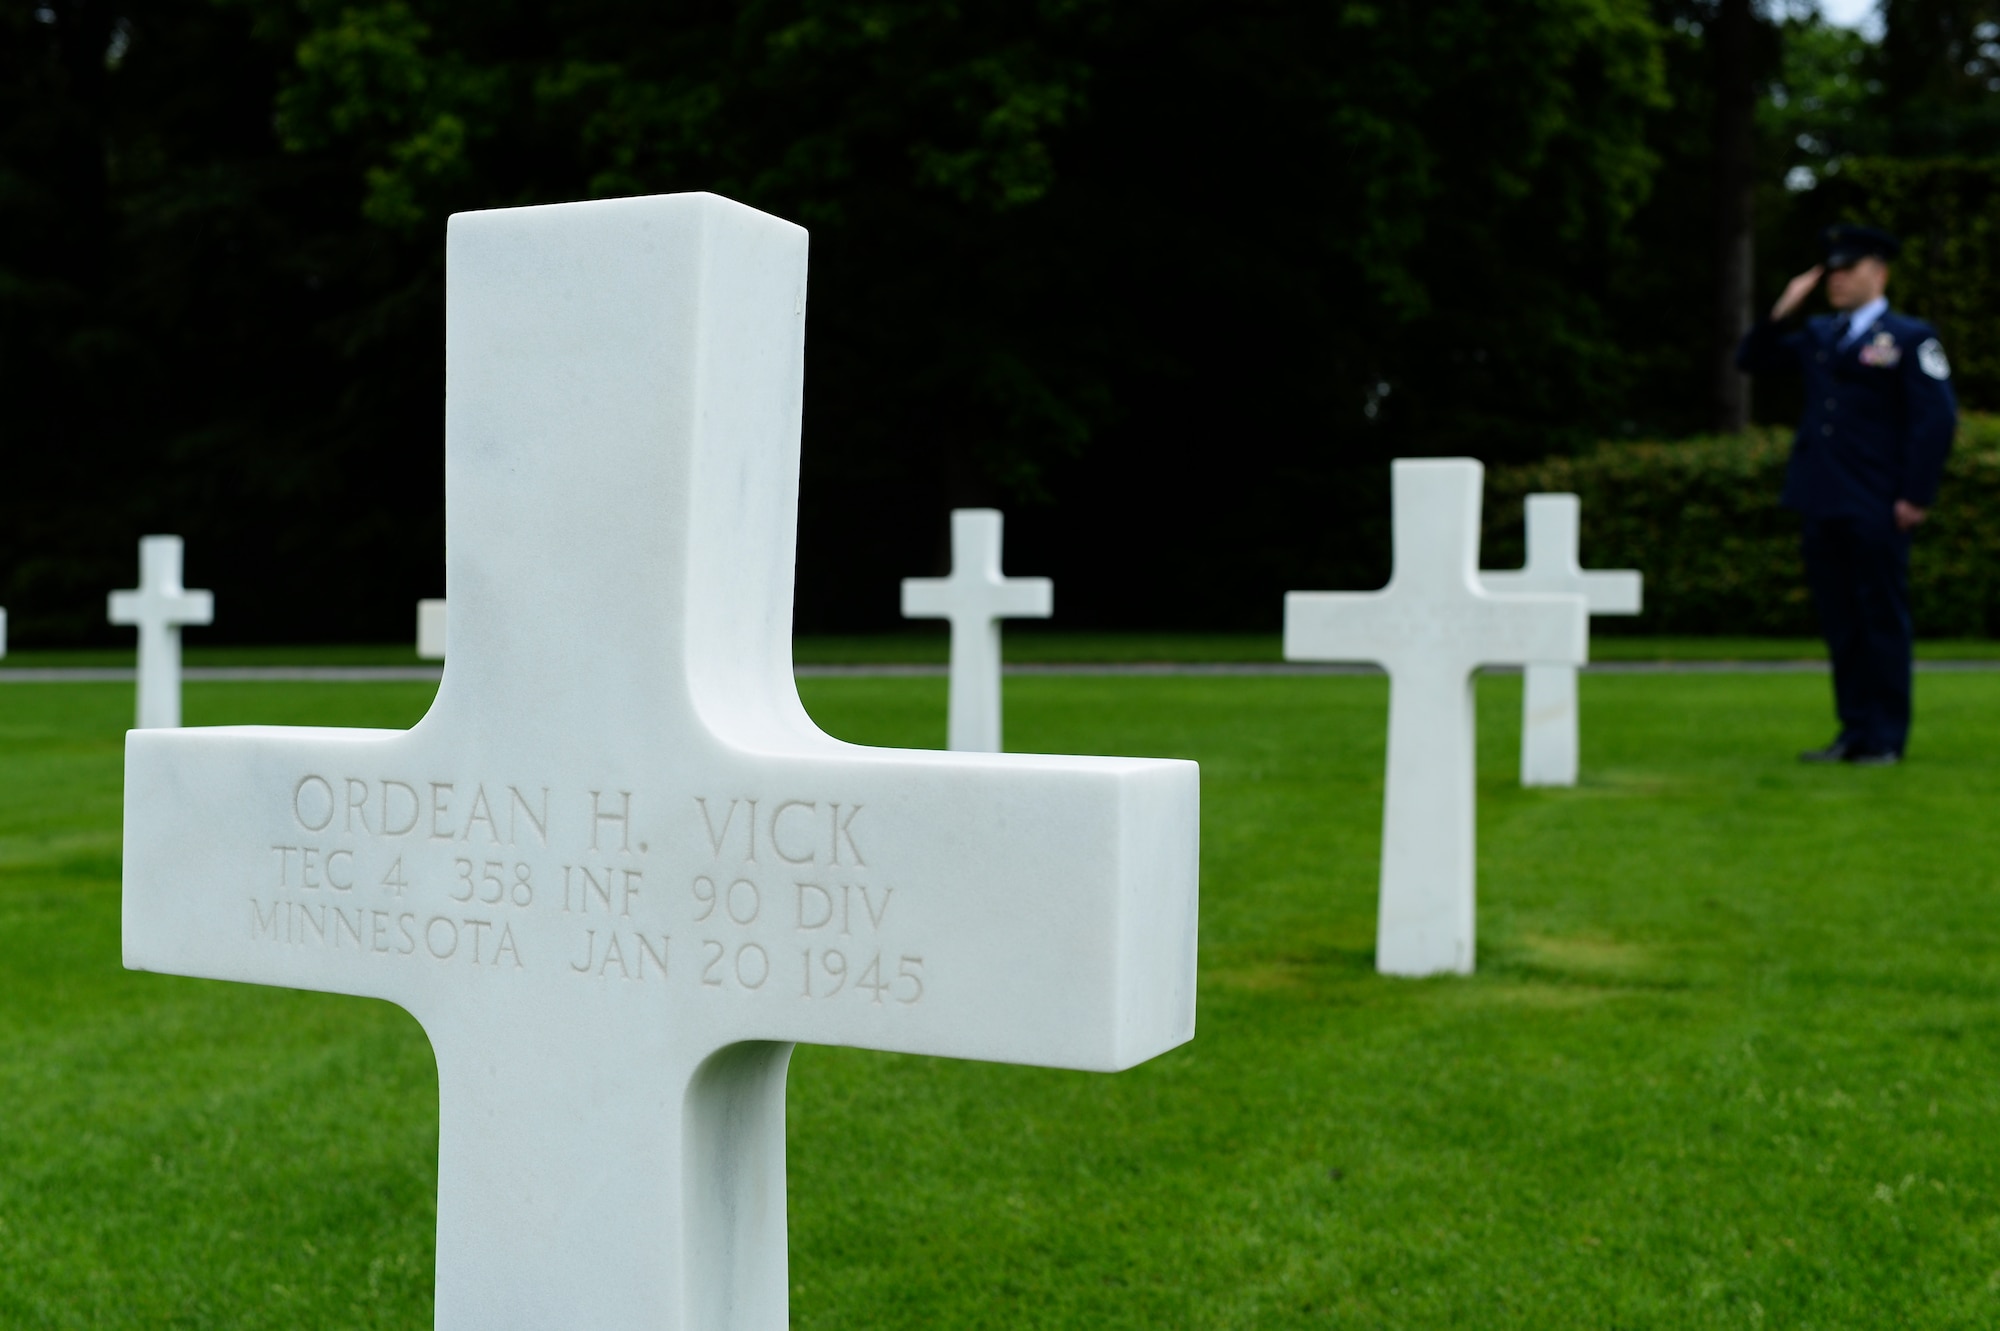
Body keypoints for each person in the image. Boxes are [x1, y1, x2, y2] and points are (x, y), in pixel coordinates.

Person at [1736, 224, 1957, 765]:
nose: (1836, 280)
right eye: (1830, 271)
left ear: (1878, 273)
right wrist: (1782, 309)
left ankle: (1885, 737)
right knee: (1841, 622)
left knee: (1880, 617)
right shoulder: (1818, 335)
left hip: (1879, 501)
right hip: (1823, 498)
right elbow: (1753, 360)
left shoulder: (1909, 338)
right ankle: (1854, 730)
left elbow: (1935, 421)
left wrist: (1915, 496)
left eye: (1848, 270)